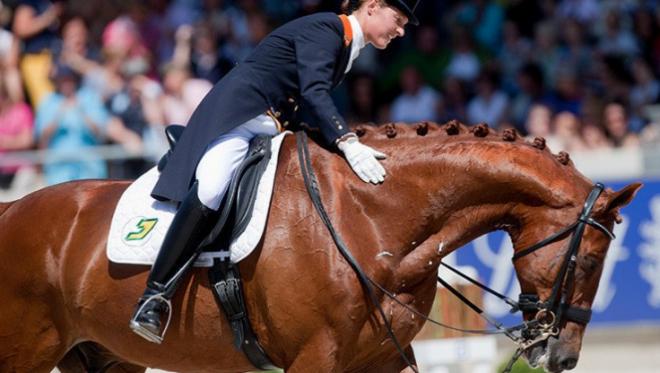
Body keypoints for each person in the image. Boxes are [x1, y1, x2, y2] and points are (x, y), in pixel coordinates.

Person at [129, 0, 420, 343]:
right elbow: (313, 92)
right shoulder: (326, 28)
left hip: (272, 128)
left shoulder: (346, 47)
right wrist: (346, 139)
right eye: (397, 20)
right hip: (240, 118)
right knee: (211, 188)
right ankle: (154, 296)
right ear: (372, 6)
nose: (400, 31)